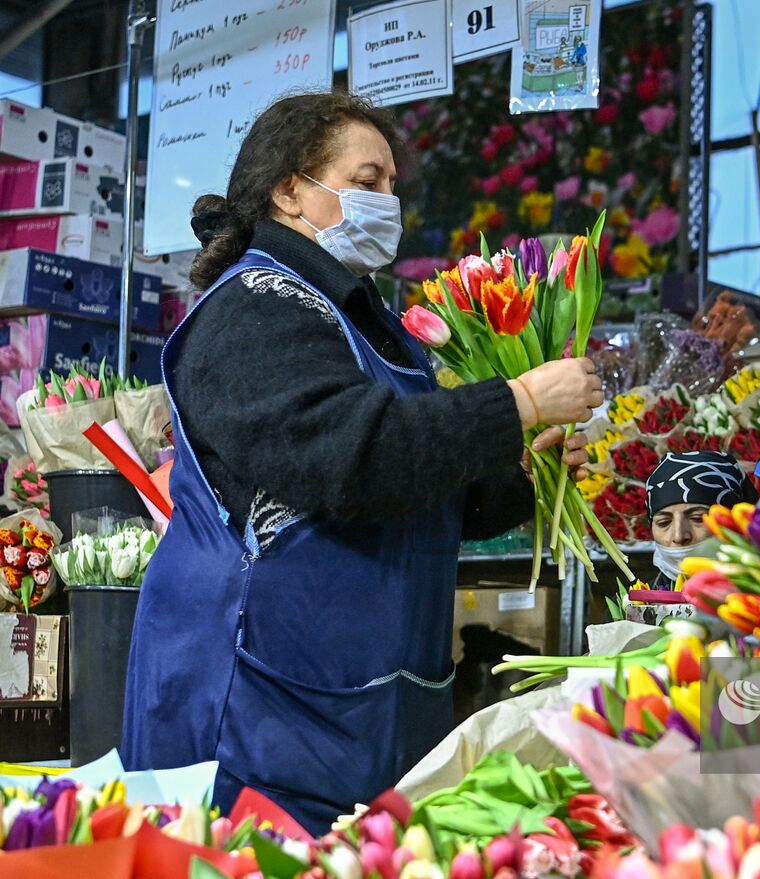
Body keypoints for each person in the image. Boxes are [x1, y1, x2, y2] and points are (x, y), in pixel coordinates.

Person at [121, 92, 602, 832]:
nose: (390, 200)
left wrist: (518, 469)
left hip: (360, 703)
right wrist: (515, 404)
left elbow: (417, 487)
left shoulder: (357, 317)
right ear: (289, 189)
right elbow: (354, 455)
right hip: (255, 711)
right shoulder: (254, 308)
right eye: (368, 179)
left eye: (392, 183)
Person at [645, 451, 756, 589]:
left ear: (733, 523)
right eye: (664, 523)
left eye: (697, 518)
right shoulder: (632, 605)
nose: (679, 536)